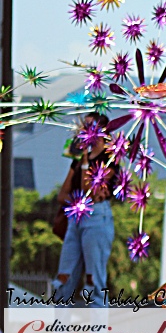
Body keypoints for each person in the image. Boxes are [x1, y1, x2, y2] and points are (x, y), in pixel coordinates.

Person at [52, 113, 115, 309]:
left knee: (94, 278)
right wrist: (78, 201)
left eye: (89, 126)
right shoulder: (77, 159)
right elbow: (63, 194)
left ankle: (97, 330)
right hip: (76, 218)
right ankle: (60, 330)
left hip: (96, 217)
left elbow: (90, 191)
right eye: (83, 126)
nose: (83, 130)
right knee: (64, 275)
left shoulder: (109, 158)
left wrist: (87, 161)